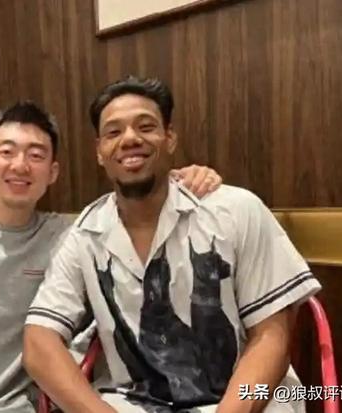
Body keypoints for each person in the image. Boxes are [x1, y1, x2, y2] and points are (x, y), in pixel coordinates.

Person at [0, 100, 222, 413]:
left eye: (36, 155)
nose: (20, 165)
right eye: (7, 152)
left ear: (53, 172)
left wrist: (186, 178)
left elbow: (135, 208)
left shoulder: (72, 236)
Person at [23, 76, 321, 413]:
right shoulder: (83, 236)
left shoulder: (235, 211)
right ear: (100, 152)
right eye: (113, 132)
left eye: (146, 126)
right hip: (133, 404)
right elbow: (39, 341)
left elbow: (272, 335)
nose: (129, 139)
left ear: (170, 138)